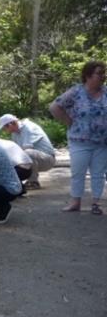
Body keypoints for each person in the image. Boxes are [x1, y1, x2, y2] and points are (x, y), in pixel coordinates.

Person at [50, 60, 107, 215]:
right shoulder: (76, 92)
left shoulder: (106, 92)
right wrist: (68, 121)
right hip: (80, 141)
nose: (103, 76)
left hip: (102, 142)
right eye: (99, 73)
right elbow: (55, 107)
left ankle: (96, 203)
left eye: (104, 73)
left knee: (98, 173)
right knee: (78, 172)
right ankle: (75, 202)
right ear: (88, 75)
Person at [0, 114, 56, 189]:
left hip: (48, 159)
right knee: (18, 156)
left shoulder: (29, 127)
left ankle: (33, 182)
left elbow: (26, 149)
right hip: (38, 159)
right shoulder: (14, 133)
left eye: (4, 128)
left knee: (27, 153)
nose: (4, 131)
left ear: (10, 124)